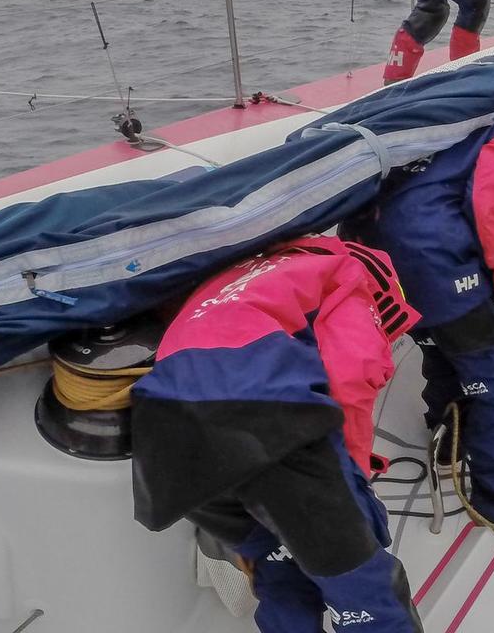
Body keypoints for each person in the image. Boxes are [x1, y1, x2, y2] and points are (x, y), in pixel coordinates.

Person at [130, 236, 424, 633]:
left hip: (169, 442)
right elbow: (351, 378)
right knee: (365, 588)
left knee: (279, 566)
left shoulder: (244, 275)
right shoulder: (350, 279)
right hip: (267, 423)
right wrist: (354, 484)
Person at [340, 117, 494, 523]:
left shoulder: (441, 125)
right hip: (445, 276)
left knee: (440, 356)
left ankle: (448, 446)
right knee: (492, 379)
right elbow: (489, 215)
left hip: (388, 275)